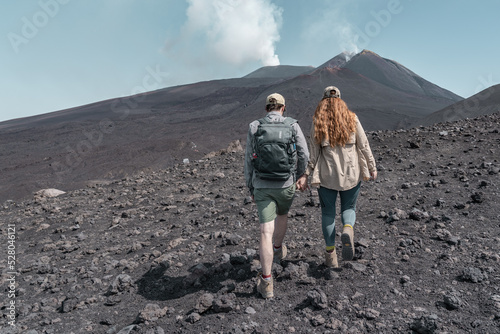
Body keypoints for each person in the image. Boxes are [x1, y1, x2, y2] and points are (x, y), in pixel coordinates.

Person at [296, 86, 377, 268]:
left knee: (328, 214)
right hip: (351, 173)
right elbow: (364, 145)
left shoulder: (318, 121)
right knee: (348, 208)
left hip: (327, 176)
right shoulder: (352, 119)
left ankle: (331, 254)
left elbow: (313, 153)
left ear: (323, 101)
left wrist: (306, 174)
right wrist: (372, 166)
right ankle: (348, 229)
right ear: (340, 100)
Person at [244, 93, 309, 298]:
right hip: (286, 184)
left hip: (262, 185)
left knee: (265, 231)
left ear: (266, 109)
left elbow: (248, 160)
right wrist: (301, 175)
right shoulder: (292, 125)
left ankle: (266, 282)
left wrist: (251, 187)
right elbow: (304, 153)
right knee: (282, 215)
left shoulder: (255, 126)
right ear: (283, 107)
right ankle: (278, 249)